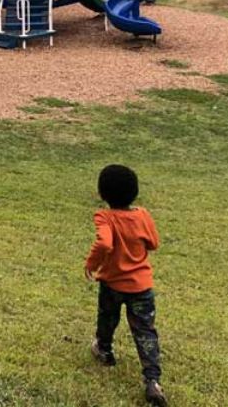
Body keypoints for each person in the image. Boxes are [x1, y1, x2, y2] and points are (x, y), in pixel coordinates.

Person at [85, 165, 167, 407]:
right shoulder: (143, 215)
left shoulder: (104, 217)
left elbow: (104, 243)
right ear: (135, 192)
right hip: (141, 287)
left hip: (112, 284)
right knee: (145, 331)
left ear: (102, 193)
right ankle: (152, 380)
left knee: (107, 318)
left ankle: (104, 351)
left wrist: (92, 263)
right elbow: (154, 243)